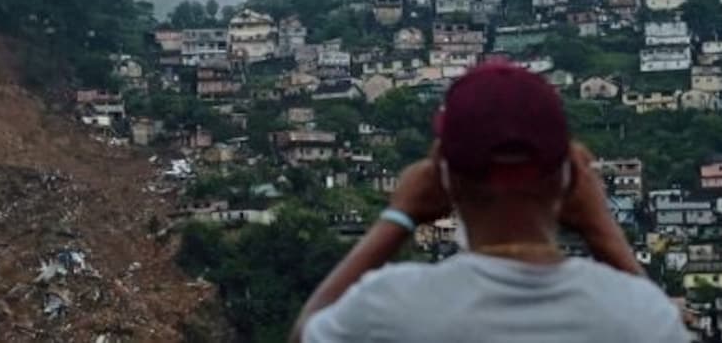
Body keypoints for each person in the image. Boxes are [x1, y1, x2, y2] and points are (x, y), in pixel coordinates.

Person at [290, 62, 688, 342]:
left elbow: (307, 333)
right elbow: (666, 326)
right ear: (568, 174)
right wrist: (600, 225)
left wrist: (399, 216)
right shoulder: (637, 316)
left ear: (443, 175)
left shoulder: (391, 306)